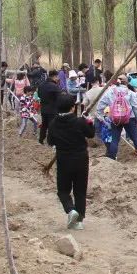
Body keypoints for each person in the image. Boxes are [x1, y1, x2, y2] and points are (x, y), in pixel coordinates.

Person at [47, 93, 95, 230]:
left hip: (64, 159)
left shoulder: (53, 123)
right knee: (80, 191)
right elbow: (91, 134)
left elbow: (50, 141)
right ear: (73, 107)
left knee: (63, 190)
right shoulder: (79, 122)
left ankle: (70, 209)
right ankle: (79, 221)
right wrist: (90, 122)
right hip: (81, 159)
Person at [95, 75, 137, 160]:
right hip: (130, 118)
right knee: (135, 138)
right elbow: (135, 107)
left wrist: (102, 118)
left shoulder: (110, 91)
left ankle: (112, 157)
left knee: (115, 140)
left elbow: (100, 106)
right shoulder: (130, 93)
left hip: (115, 118)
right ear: (127, 82)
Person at [37, 69, 63, 145]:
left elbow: (39, 95)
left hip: (43, 108)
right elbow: (59, 98)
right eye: (57, 77)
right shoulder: (54, 86)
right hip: (53, 109)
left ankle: (41, 139)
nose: (58, 78)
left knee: (44, 125)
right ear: (54, 76)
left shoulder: (41, 85)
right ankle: (50, 142)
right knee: (52, 126)